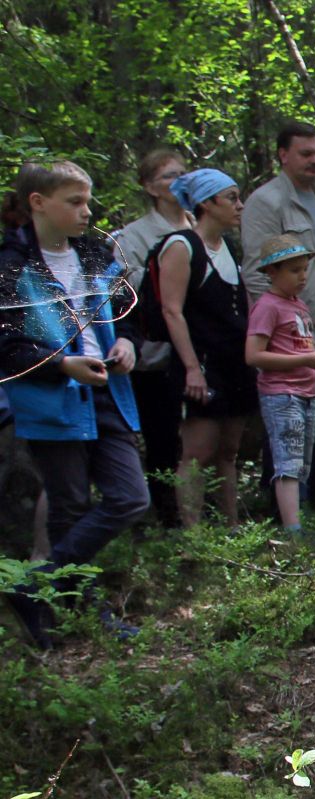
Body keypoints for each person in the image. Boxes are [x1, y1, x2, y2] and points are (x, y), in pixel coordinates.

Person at [1, 161, 147, 647]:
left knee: (130, 496)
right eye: (75, 202)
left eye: (88, 201)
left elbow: (127, 315)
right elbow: (8, 346)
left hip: (107, 392)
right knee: (69, 505)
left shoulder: (97, 253)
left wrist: (126, 344)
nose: (87, 211)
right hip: (51, 399)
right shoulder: (10, 263)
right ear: (38, 203)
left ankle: (33, 588)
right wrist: (61, 366)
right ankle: (78, 616)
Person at [240, 122, 315, 505]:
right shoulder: (268, 201)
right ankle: (285, 504)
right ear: (283, 155)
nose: (314, 161)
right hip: (298, 314)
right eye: (306, 154)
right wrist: (277, 321)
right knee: (291, 410)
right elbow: (257, 271)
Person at [154, 169, 253, 529]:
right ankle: (194, 534)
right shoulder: (182, 246)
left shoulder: (227, 246)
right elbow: (172, 310)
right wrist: (192, 368)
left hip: (235, 365)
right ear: (207, 204)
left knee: (228, 451)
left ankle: (232, 527)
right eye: (231, 198)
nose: (239, 205)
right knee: (197, 451)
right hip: (203, 364)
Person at [246, 235, 315, 535]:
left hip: (306, 393)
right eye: (294, 270)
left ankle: (298, 519)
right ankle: (292, 530)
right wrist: (303, 360)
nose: (302, 276)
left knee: (301, 464)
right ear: (273, 272)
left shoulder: (297, 306)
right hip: (282, 394)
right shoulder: (268, 306)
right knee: (287, 463)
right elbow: (254, 354)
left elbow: (310, 350)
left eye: (304, 269)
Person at [115, 148, 189, 526]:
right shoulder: (131, 237)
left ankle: (196, 507)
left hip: (202, 350)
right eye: (168, 176)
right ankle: (164, 514)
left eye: (183, 173)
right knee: (161, 436)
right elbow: (129, 297)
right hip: (156, 353)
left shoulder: (201, 226)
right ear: (149, 187)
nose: (179, 182)